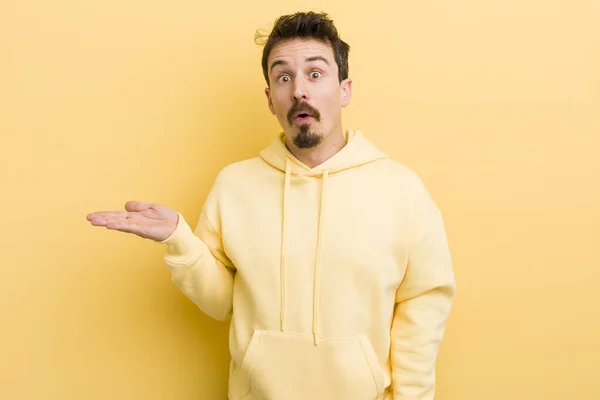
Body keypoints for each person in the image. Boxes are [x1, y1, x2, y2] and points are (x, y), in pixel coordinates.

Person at [86, 11, 456, 400]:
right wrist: (180, 239)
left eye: (315, 74)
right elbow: (220, 303)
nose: (299, 90)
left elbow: (423, 306)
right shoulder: (234, 185)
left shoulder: (402, 190)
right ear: (270, 98)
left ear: (344, 89)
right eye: (284, 77)